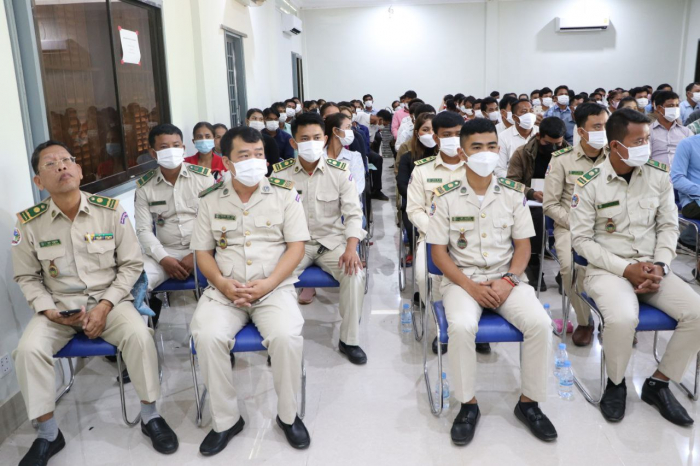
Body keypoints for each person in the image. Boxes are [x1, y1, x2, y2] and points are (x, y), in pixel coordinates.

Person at [12, 141, 179, 465]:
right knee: (28, 350)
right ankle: (48, 434)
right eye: (50, 164)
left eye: (66, 160)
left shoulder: (110, 211)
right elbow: (27, 277)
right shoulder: (29, 223)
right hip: (58, 308)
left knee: (139, 335)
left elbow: (131, 265)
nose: (61, 167)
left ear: (78, 170)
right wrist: (49, 310)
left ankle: (150, 416)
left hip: (110, 301)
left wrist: (104, 306)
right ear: (38, 181)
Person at [428, 118, 556, 446]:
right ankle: (467, 404)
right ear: (462, 152)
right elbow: (439, 254)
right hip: (462, 281)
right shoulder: (445, 196)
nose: (485, 153)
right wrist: (471, 287)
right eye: (477, 147)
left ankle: (529, 403)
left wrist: (509, 280)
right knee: (461, 326)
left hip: (506, 278)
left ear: (499, 149)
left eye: (491, 146)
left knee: (541, 323)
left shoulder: (513, 194)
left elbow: (523, 247)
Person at [570, 108, 700, 426]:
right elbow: (582, 241)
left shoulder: (657, 175)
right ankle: (616, 384)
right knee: (623, 318)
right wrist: (626, 269)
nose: (646, 146)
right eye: (639, 141)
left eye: (647, 139)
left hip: (653, 267)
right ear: (615, 146)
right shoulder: (589, 183)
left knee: (697, 313)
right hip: (607, 270)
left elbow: (669, 226)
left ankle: (659, 383)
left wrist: (661, 265)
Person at [189, 126, 311, 454]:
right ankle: (226, 420)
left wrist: (269, 284)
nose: (254, 161)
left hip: (273, 288)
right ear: (227, 162)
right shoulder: (210, 199)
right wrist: (222, 284)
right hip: (225, 291)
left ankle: (288, 417)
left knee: (286, 336)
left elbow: (296, 248)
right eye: (244, 155)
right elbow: (202, 252)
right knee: (207, 336)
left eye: (259, 154)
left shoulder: (285, 194)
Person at [274, 113, 368, 365]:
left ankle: (349, 340)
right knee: (273, 278)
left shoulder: (340, 172)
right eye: (304, 139)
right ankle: (281, 340)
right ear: (293, 143)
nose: (311, 143)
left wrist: (351, 248)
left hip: (332, 243)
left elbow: (353, 214)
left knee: (355, 275)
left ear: (325, 139)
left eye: (316, 137)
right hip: (295, 245)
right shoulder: (280, 175)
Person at [406, 111, 491, 355]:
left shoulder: (479, 166)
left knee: (484, 271)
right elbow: (414, 210)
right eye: (447, 135)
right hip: (433, 238)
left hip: (473, 237)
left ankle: (476, 328)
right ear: (436, 138)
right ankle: (440, 328)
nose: (453, 139)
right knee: (425, 276)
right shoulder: (422, 170)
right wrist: (439, 232)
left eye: (458, 134)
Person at [543, 102, 609, 346]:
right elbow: (550, 204)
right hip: (570, 226)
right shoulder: (562, 160)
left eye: (606, 125)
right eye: (597, 126)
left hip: (610, 227)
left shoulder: (616, 157)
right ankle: (584, 321)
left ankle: (614, 320)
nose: (604, 131)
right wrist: (578, 224)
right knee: (570, 268)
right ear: (581, 131)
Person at [135, 124, 215, 309]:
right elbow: (143, 230)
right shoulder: (145, 187)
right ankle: (146, 323)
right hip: (165, 253)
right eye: (164, 147)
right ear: (153, 153)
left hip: (202, 250)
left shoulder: (204, 178)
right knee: (135, 282)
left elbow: (215, 223)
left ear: (183, 148)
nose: (171, 150)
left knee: (225, 277)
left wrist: (195, 255)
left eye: (176, 145)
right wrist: (163, 258)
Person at [507, 117, 567, 291]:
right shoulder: (523, 153)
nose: (553, 148)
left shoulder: (569, 154)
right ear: (539, 136)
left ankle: (564, 270)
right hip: (531, 202)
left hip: (560, 201)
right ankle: (533, 265)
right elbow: (511, 182)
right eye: (548, 143)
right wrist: (531, 193)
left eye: (557, 144)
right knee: (535, 217)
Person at [396, 113, 436, 269]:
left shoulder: (444, 156)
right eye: (425, 130)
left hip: (441, 205)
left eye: (433, 130)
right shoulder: (408, 157)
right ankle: (415, 250)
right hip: (414, 204)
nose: (430, 134)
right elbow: (402, 184)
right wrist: (419, 201)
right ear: (417, 132)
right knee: (411, 220)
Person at [496, 99, 539, 178]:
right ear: (514, 117)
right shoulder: (503, 137)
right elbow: (499, 169)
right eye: (524, 112)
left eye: (531, 111)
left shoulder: (540, 133)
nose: (529, 115)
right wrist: (516, 181)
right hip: (513, 181)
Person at [649, 90, 691, 166]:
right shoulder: (649, 131)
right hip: (656, 170)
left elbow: (693, 154)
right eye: (671, 106)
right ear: (659, 108)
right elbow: (647, 158)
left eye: (677, 105)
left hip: (681, 171)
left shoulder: (686, 132)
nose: (675, 108)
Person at [246, 108, 283, 176]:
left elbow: (275, 163)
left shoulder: (270, 140)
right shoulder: (241, 140)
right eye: (254, 118)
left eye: (261, 119)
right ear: (247, 121)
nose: (257, 121)